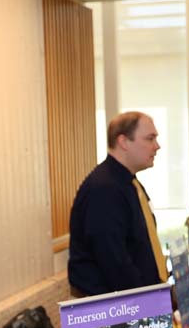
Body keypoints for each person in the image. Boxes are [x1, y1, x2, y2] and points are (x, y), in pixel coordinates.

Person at [68, 111, 167, 296]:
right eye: (150, 138)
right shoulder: (104, 189)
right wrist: (148, 302)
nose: (157, 146)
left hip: (134, 303)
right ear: (123, 142)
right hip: (113, 310)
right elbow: (114, 262)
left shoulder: (130, 184)